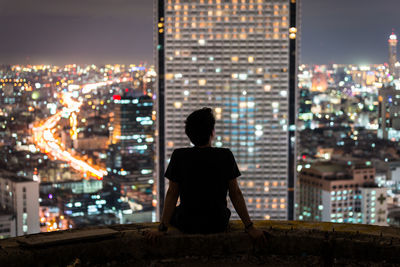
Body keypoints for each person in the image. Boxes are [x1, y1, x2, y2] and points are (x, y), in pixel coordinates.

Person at [146, 108, 265, 242]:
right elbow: (235, 193)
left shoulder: (179, 156)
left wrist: (161, 229)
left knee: (177, 212)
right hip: (218, 223)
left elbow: (172, 193)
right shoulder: (225, 155)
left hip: (187, 223)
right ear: (212, 133)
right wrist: (249, 227)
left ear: (189, 134)